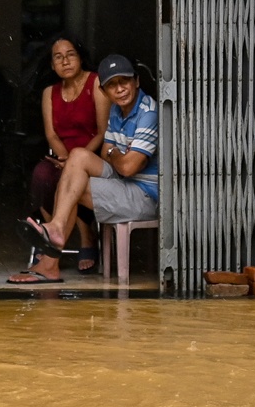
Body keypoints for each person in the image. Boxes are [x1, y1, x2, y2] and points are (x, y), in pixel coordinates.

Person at [9, 54, 159, 285]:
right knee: (77, 157)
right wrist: (119, 154)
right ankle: (57, 230)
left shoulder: (148, 112)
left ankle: (50, 259)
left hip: (144, 195)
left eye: (124, 81)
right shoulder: (117, 111)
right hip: (123, 183)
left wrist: (115, 154)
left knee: (72, 186)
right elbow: (105, 152)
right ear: (104, 91)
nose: (119, 89)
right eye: (112, 85)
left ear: (136, 81)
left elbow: (128, 167)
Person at [32, 36, 105, 268]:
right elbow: (51, 134)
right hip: (62, 155)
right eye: (58, 57)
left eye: (70, 54)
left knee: (75, 178)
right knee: (42, 175)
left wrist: (75, 160)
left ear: (81, 58)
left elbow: (103, 131)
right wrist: (65, 158)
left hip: (93, 156)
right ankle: (50, 238)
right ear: (52, 65)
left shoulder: (96, 83)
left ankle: (87, 237)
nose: (65, 61)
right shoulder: (49, 93)